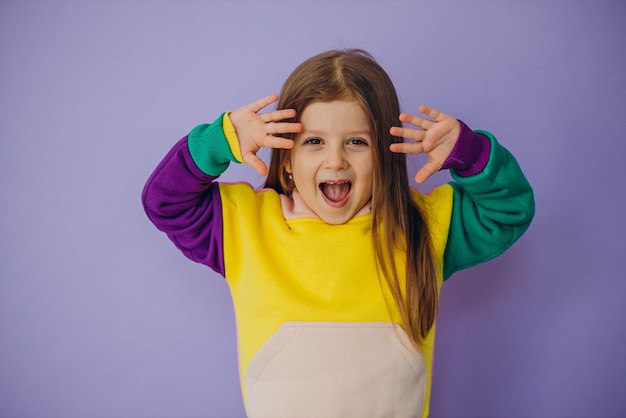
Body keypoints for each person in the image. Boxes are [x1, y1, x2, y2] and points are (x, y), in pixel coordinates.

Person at [142, 49, 534, 418]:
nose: (336, 159)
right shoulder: (244, 224)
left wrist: (471, 153)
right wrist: (219, 142)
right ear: (288, 159)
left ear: (385, 155)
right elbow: (164, 201)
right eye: (314, 141)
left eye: (357, 142)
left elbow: (509, 211)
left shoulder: (423, 224)